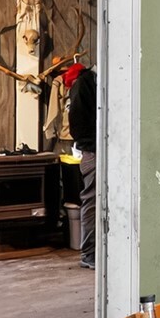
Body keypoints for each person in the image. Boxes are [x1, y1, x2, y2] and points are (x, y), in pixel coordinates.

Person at [64, 62, 98, 270]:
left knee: (95, 201)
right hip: (94, 151)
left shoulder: (92, 82)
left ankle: (94, 252)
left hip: (98, 148)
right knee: (93, 201)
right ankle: (90, 253)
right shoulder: (86, 83)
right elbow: (77, 122)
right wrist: (94, 144)